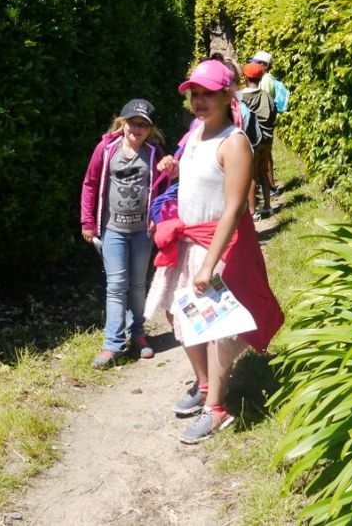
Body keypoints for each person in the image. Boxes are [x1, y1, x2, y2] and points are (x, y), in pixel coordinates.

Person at [144, 60, 284, 444]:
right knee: (181, 316)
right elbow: (194, 183)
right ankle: (205, 384)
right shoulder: (195, 135)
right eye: (194, 94)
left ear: (227, 95)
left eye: (208, 93)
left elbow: (235, 207)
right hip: (187, 243)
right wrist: (174, 168)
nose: (199, 101)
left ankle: (217, 409)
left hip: (219, 247)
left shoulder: (234, 141)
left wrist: (210, 264)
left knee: (221, 328)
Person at [80, 99, 166, 367]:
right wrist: (87, 222)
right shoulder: (107, 149)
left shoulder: (155, 152)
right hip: (113, 230)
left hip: (142, 232)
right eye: (132, 122)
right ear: (122, 122)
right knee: (116, 286)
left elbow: (166, 189)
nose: (137, 129)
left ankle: (138, 334)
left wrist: (158, 219)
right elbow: (90, 183)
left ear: (150, 130)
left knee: (138, 285)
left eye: (143, 125)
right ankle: (112, 344)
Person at [240, 61, 276, 219]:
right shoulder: (267, 96)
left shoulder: (241, 96)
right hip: (267, 140)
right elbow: (273, 113)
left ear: (245, 77)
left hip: (252, 140)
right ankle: (267, 206)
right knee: (263, 171)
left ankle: (252, 210)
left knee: (252, 175)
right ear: (261, 77)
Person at [251, 50, 287, 196]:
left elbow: (263, 102)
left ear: (265, 65)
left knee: (264, 154)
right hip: (265, 121)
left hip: (262, 121)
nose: (254, 66)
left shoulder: (265, 80)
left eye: (257, 63)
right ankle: (269, 185)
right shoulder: (267, 79)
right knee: (266, 153)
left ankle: (270, 186)